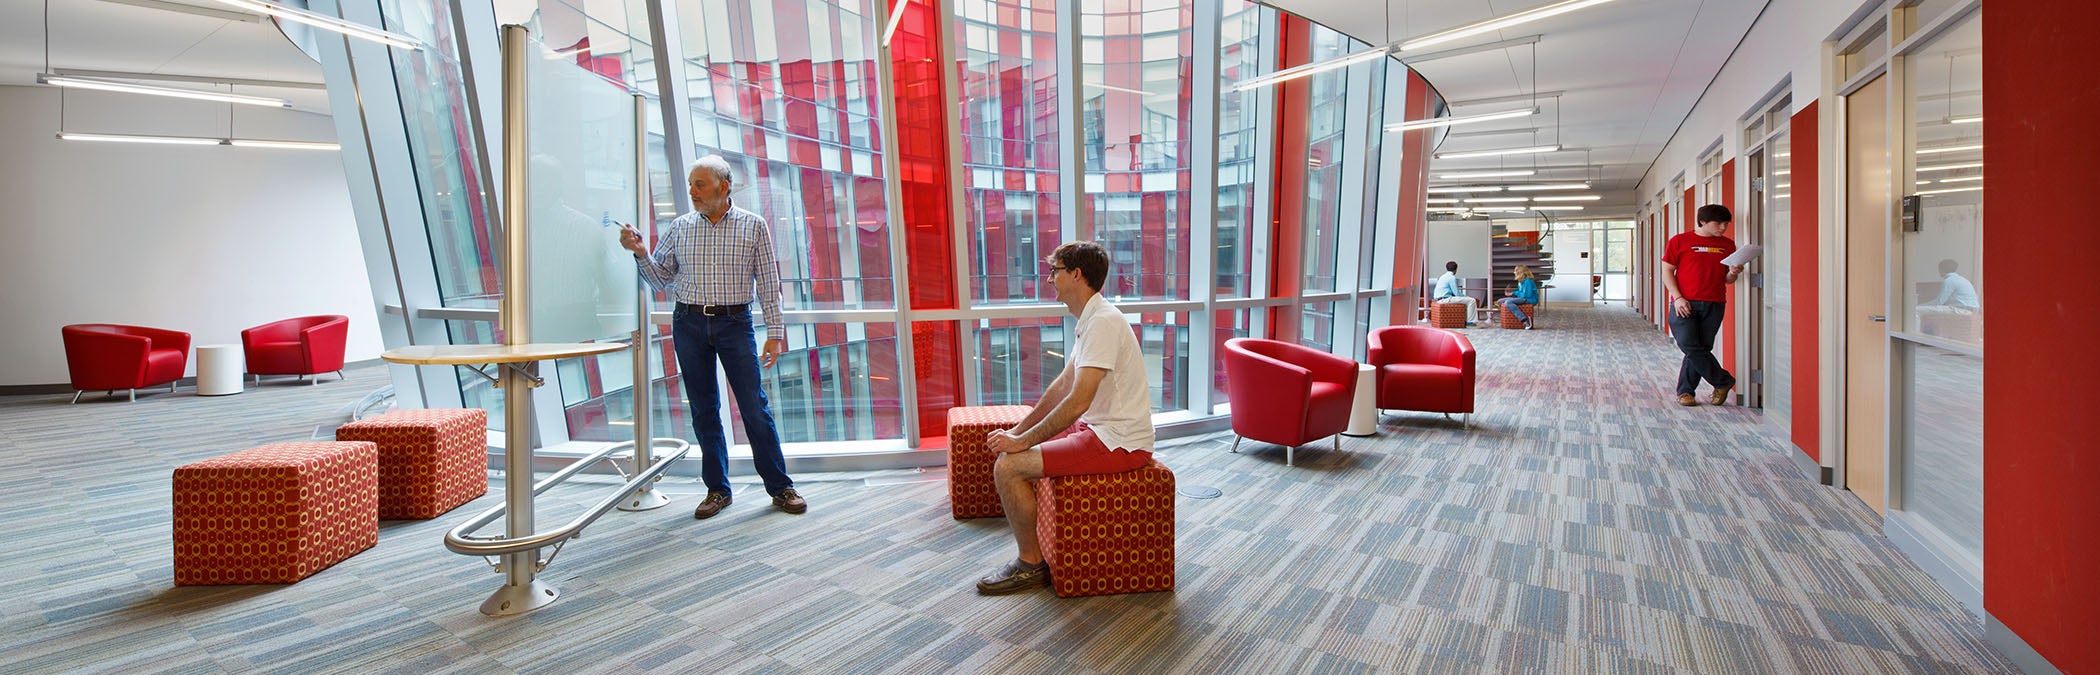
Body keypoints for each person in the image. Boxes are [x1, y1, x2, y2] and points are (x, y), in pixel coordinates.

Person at [619, 155, 805, 519]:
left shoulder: (754, 226)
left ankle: (780, 486)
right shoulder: (680, 227)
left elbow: (769, 285)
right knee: (704, 411)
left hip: (735, 324)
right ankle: (717, 489)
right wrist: (641, 253)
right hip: (688, 323)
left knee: (754, 407)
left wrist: (775, 333)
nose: (692, 191)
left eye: (699, 184)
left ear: (723, 186)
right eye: (690, 184)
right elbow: (660, 280)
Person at [975, 241, 1156, 596]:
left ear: (1077, 275)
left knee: (1008, 467)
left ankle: (1030, 566)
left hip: (1119, 442)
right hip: (1100, 429)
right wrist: (1018, 430)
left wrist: (1022, 443)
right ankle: (1034, 552)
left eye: (1055, 271)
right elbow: (1062, 387)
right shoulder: (1092, 318)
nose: (1049, 279)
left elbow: (1077, 401)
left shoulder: (1102, 323)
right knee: (1013, 453)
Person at [1662, 204, 1744, 407]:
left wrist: (1733, 273)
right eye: (1719, 223)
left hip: (1714, 302)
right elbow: (1667, 271)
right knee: (1689, 345)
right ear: (1703, 222)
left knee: (1700, 348)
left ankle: (1685, 393)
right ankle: (1723, 381)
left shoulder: (1728, 245)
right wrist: (1678, 297)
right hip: (1684, 302)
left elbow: (1727, 279)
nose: (1723, 227)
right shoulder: (1680, 241)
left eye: (1726, 223)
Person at [1432, 261, 1478, 325]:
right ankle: (1470, 322)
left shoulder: (1442, 276)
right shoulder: (1452, 277)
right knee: (1472, 300)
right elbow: (1456, 293)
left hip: (1438, 299)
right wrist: (1466, 296)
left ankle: (1466, 319)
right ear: (1456, 269)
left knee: (1467, 300)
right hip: (1445, 299)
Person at [1498, 265, 1540, 329]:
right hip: (1523, 298)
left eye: (1515, 271)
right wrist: (1512, 293)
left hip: (1530, 299)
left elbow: (1526, 295)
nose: (1514, 272)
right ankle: (1509, 318)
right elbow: (1521, 293)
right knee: (1500, 301)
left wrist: (1514, 293)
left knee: (1508, 302)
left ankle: (1525, 320)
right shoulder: (1520, 282)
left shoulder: (1528, 281)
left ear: (1520, 272)